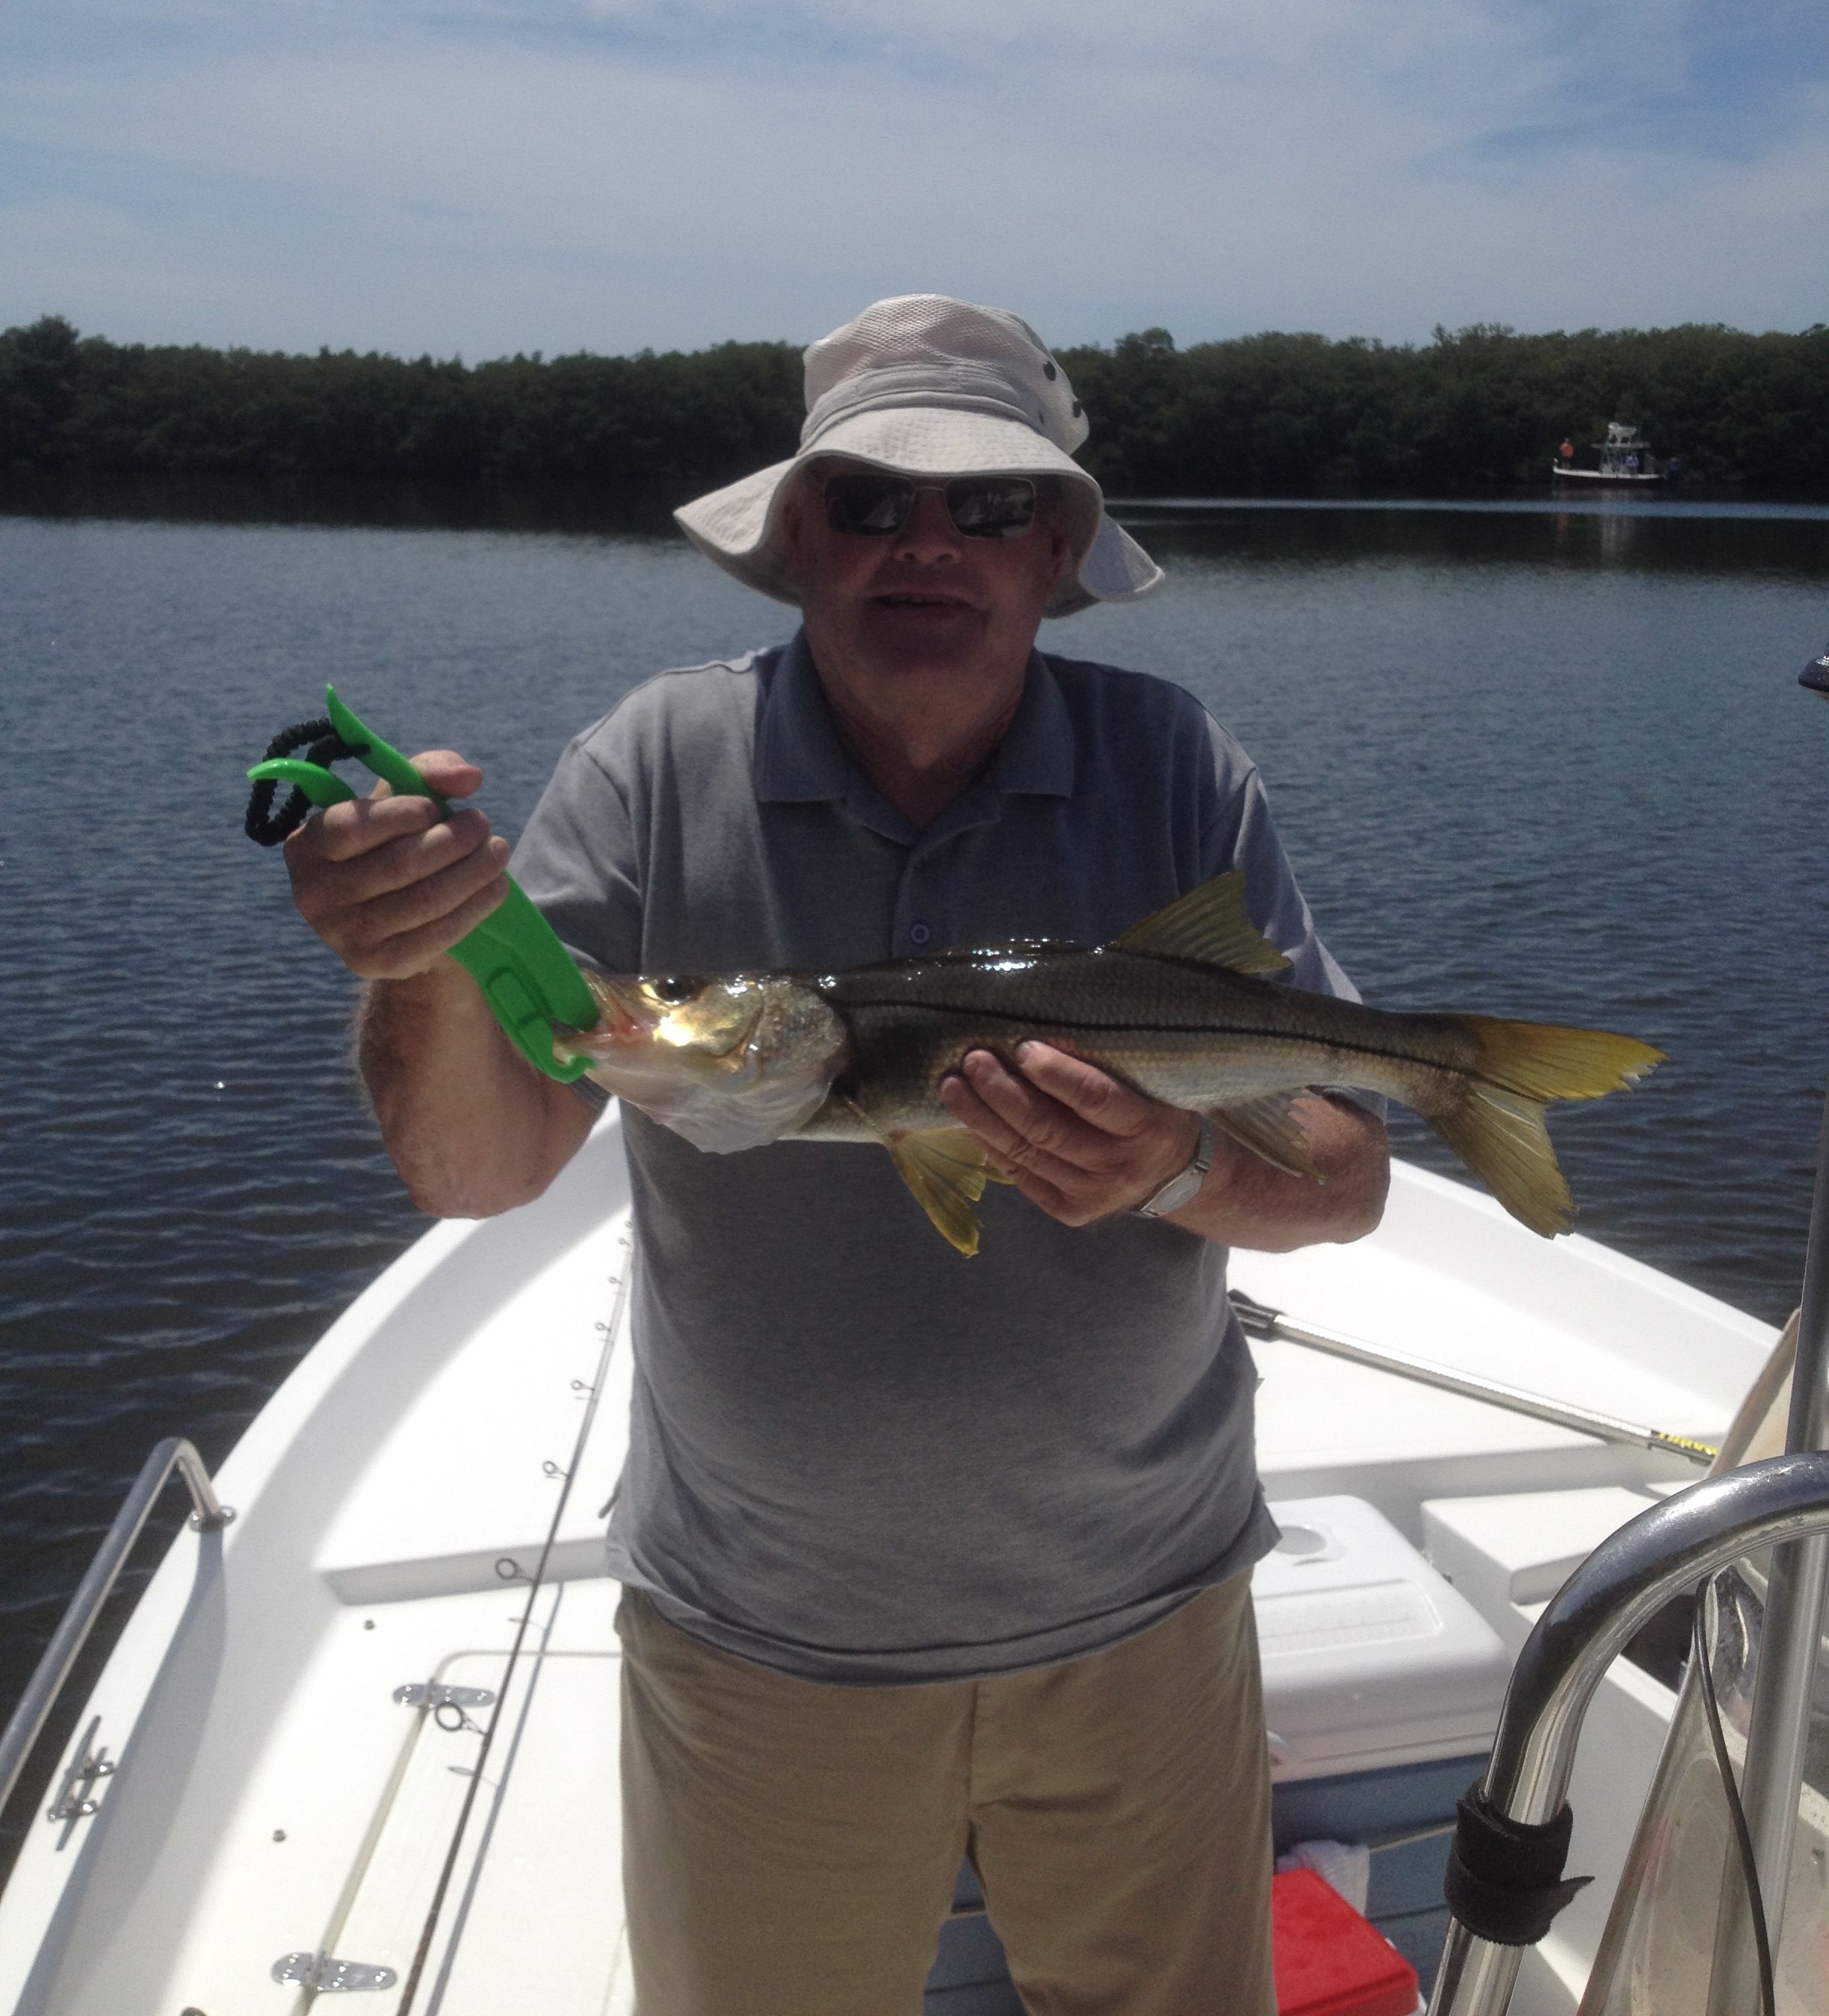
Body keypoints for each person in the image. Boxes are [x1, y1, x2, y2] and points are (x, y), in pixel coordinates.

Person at [284, 295, 1389, 2016]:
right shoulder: (655, 770)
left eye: (990, 507)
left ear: (1058, 548)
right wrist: (418, 960)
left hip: (1147, 1629)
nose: (928, 546)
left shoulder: (1175, 768)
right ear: (799, 538)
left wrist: (1176, 1168)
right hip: (762, 1650)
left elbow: (1348, 1171)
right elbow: (479, 1175)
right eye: (872, 501)